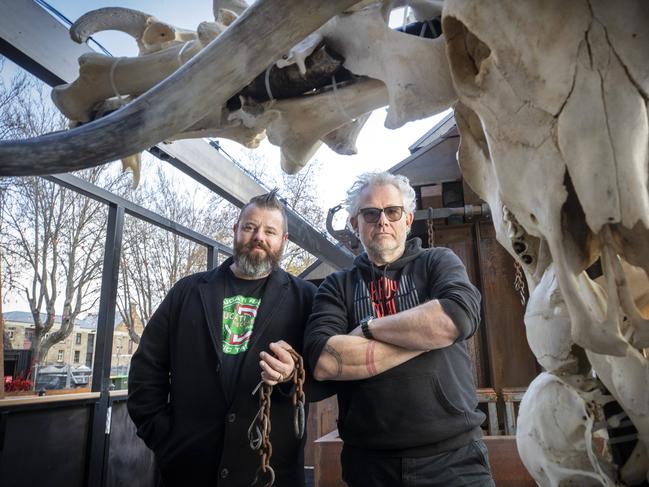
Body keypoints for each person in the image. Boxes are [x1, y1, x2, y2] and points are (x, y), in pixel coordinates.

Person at [304, 172, 494, 487]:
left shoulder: (438, 262)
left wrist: (367, 328)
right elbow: (325, 361)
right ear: (355, 224)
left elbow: (457, 317)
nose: (383, 221)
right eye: (370, 213)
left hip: (455, 460)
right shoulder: (337, 286)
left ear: (407, 219)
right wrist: (427, 336)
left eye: (392, 212)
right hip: (369, 466)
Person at [128, 190, 327, 486]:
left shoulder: (307, 298)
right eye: (249, 227)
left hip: (269, 472)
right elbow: (147, 368)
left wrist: (291, 376)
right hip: (188, 469)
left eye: (270, 231)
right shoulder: (188, 292)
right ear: (235, 231)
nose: (259, 236)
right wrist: (165, 439)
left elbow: (328, 374)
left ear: (283, 241)